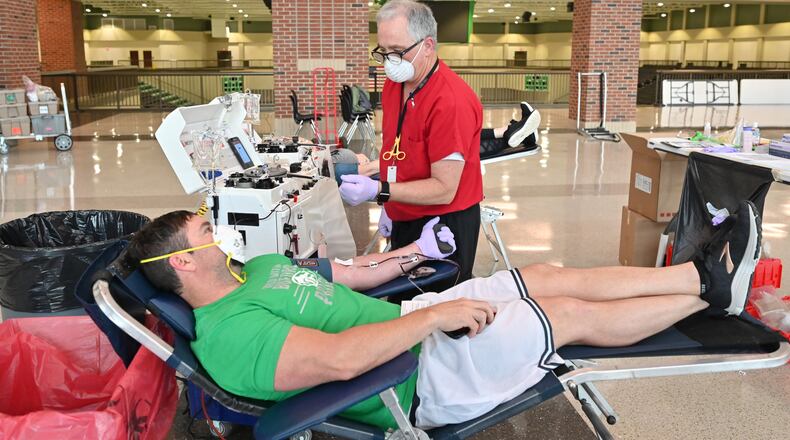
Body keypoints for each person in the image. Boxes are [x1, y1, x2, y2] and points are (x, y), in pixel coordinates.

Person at [127, 199, 762, 430]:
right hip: (415, 375)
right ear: (184, 263)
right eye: (207, 230)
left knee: (545, 277)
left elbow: (347, 276)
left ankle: (694, 274)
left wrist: (412, 258)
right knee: (563, 314)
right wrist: (436, 318)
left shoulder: (256, 270)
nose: (220, 232)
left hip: (414, 320)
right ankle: (713, 295)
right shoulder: (230, 334)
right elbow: (345, 359)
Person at [337, 0, 486, 283]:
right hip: (403, 210)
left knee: (436, 308)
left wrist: (379, 191)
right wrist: (387, 202)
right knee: (401, 299)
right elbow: (400, 150)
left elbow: (444, 189)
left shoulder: (451, 101)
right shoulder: (395, 85)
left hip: (443, 223)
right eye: (383, 50)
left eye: (397, 51)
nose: (389, 61)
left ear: (428, 45)